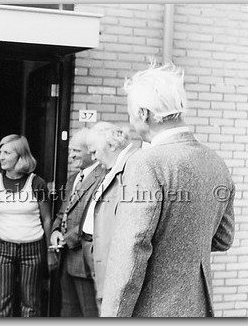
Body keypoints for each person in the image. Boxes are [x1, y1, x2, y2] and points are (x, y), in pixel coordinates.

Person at [100, 63, 235, 317]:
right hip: (198, 307)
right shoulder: (215, 161)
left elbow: (131, 250)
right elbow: (223, 238)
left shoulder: (145, 163)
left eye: (130, 114)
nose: (130, 123)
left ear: (143, 113)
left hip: (152, 309)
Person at [0, 134, 53, 317]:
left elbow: (47, 219)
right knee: (1, 302)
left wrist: (50, 251)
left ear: (21, 156)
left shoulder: (37, 183)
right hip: (3, 249)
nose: (1, 157)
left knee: (30, 304)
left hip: (33, 249)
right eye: (0, 153)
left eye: (7, 152)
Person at [80, 121, 140, 311]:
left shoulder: (132, 166)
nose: (93, 157)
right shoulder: (112, 168)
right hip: (99, 255)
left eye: (94, 151)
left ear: (112, 145)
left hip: (114, 264)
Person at [49, 128, 106, 317]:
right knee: (68, 312)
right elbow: (62, 213)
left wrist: (67, 237)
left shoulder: (103, 178)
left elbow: (96, 219)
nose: (71, 156)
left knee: (89, 313)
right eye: (70, 151)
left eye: (76, 151)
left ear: (91, 152)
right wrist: (56, 231)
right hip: (65, 259)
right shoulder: (73, 178)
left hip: (84, 262)